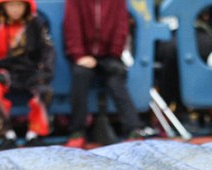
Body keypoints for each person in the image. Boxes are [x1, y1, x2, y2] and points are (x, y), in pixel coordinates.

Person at [62, 0, 152, 148]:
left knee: (116, 80)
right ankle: (77, 131)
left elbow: (121, 26)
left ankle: (133, 129)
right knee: (80, 76)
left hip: (110, 55)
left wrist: (114, 53)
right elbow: (71, 26)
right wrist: (78, 55)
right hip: (84, 56)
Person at [0, 0, 55, 149]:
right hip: (4, 72)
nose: (15, 9)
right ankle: (7, 136)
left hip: (30, 71)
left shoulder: (35, 22)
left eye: (19, 5)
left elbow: (48, 49)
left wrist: (46, 72)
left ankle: (34, 135)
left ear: (27, 7)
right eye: (10, 5)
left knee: (45, 91)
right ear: (3, 7)